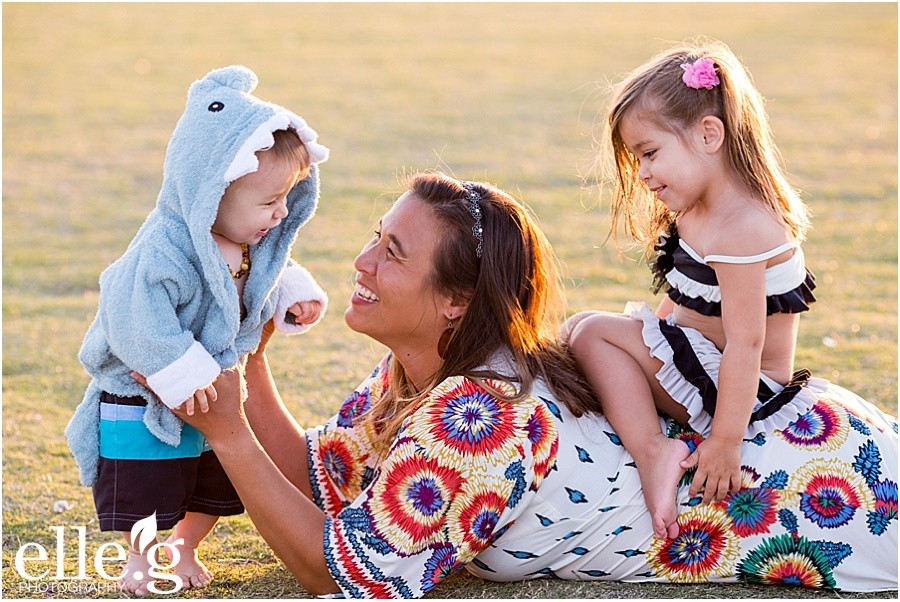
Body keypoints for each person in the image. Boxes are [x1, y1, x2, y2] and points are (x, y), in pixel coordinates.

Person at [165, 172, 896, 597]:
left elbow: (343, 576)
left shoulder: (477, 413)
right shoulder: (420, 373)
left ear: (455, 301)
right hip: (796, 450)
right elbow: (323, 478)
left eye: (391, 252)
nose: (360, 262)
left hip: (824, 490)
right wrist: (246, 361)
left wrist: (227, 431)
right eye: (373, 237)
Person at [64, 65, 330, 595]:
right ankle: (140, 559)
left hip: (217, 389)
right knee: (146, 481)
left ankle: (184, 544)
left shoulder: (249, 239)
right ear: (210, 192)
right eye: (268, 201)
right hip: (142, 388)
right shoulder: (162, 250)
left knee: (213, 479)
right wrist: (178, 369)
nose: (280, 215)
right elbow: (132, 315)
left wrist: (291, 295)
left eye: (286, 199)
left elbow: (269, 268)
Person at [565, 39, 821, 540]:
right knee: (579, 331)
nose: (643, 175)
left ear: (709, 134)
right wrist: (644, 340)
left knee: (592, 333)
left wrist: (725, 442)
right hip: (702, 363)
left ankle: (656, 455)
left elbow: (747, 343)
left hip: (740, 391)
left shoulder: (741, 227)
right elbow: (681, 302)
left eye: (650, 153)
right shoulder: (698, 212)